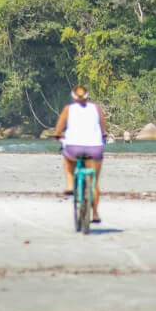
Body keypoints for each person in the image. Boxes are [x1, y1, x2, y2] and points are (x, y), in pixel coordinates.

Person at [54, 86, 107, 223]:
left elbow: (59, 128)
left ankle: (70, 183)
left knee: (67, 159)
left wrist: (58, 134)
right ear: (88, 97)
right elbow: (103, 128)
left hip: (74, 148)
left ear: (73, 97)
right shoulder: (96, 108)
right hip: (94, 148)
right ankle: (94, 213)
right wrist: (103, 135)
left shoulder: (68, 108)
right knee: (94, 182)